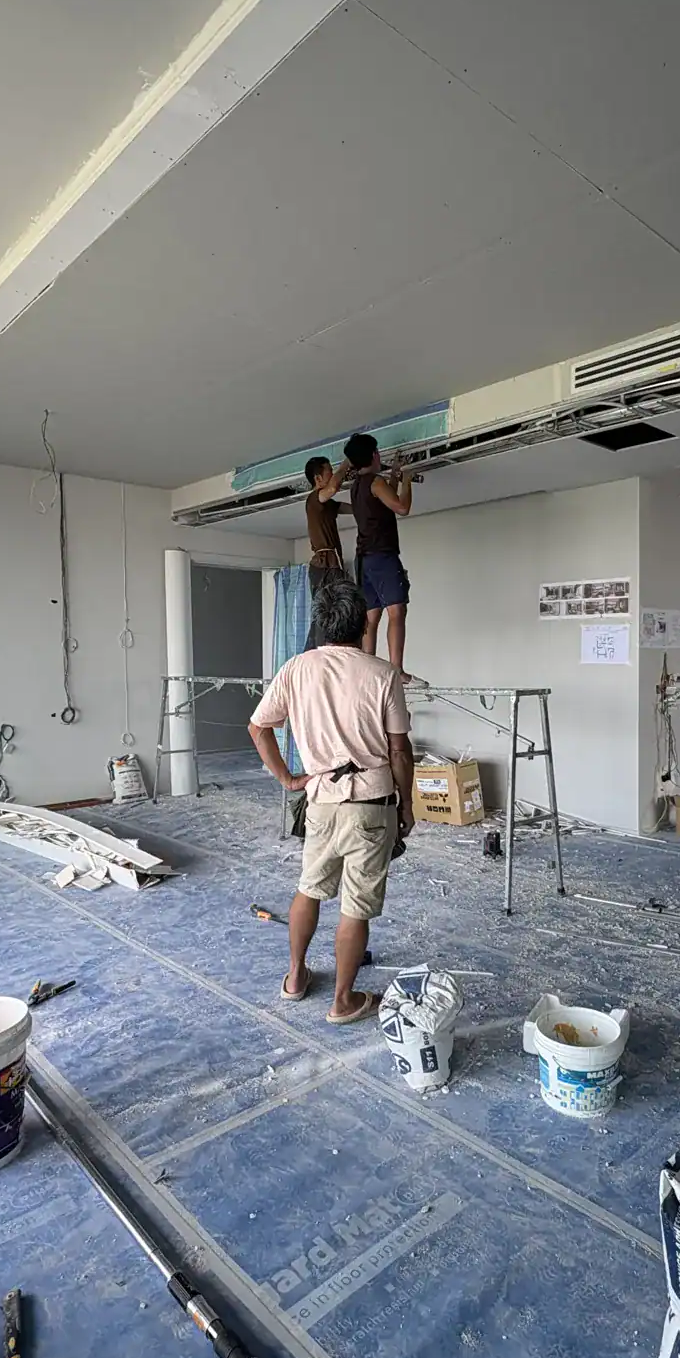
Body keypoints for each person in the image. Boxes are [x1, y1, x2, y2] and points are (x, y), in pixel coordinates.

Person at [248, 579, 413, 1025]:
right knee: (355, 905)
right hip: (372, 803)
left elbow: (258, 727)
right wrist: (407, 806)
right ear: (364, 626)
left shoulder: (296, 669)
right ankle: (343, 1001)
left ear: (321, 624)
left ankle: (295, 977)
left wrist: (288, 779)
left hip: (320, 800)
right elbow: (399, 750)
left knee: (310, 888)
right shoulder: (383, 674)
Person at [342, 431, 418, 683]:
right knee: (397, 610)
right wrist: (407, 480)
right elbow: (401, 507)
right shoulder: (375, 482)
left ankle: (366, 670)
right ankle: (397, 670)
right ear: (375, 454)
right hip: (382, 555)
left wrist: (394, 474)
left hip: (364, 559)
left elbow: (386, 499)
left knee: (371, 616)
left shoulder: (357, 486)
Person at [302, 455, 353, 650]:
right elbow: (332, 489)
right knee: (325, 612)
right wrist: (347, 462)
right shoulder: (313, 499)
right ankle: (317, 653)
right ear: (318, 478)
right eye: (329, 472)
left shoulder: (327, 505)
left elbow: (354, 509)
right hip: (323, 566)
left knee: (338, 610)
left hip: (333, 565)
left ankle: (330, 650)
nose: (333, 475)